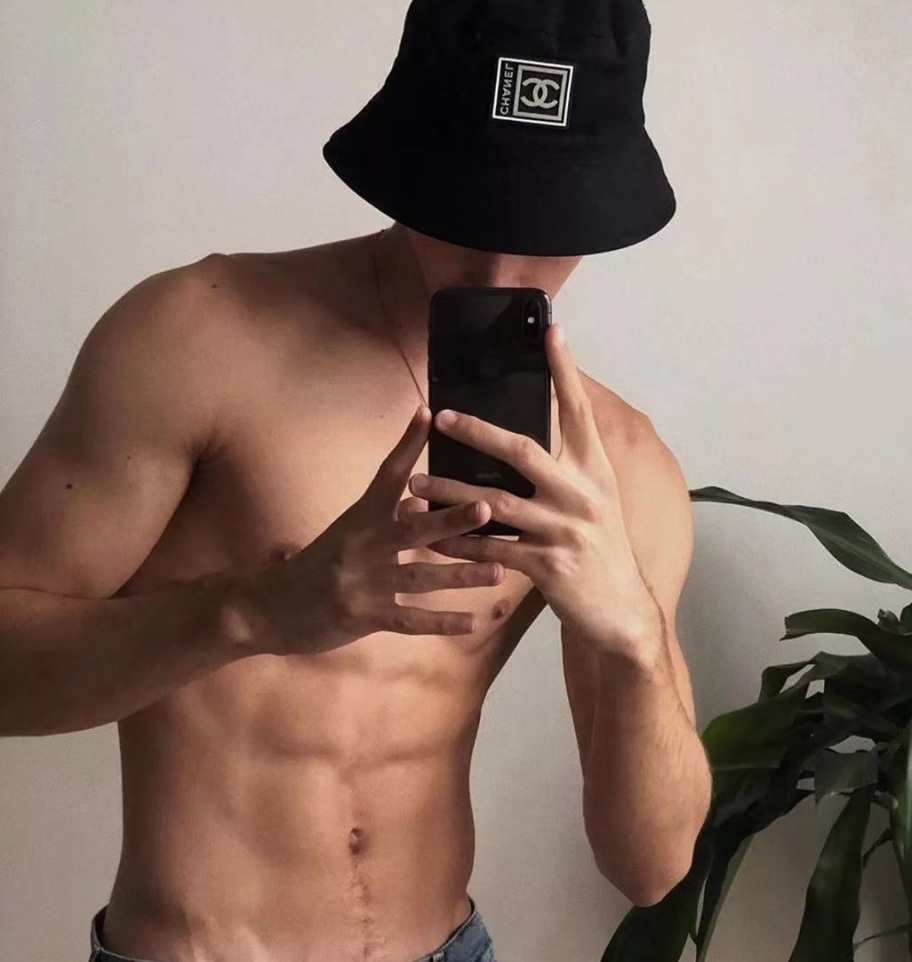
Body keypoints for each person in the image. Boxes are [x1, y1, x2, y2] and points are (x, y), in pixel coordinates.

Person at [0, 1, 713, 960]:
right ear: (412, 167)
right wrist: (253, 611)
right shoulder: (197, 339)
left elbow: (653, 866)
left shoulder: (617, 464)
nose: (499, 267)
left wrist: (631, 635)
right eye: (467, 209)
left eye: (547, 223)